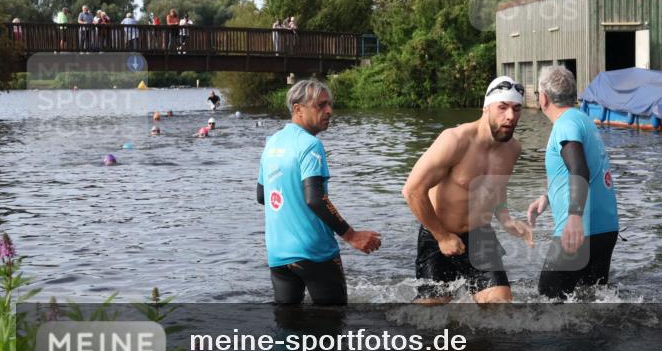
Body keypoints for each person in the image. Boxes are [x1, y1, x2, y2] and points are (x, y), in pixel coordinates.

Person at [402, 76, 532, 304]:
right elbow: (412, 191)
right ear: (486, 107)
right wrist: (442, 237)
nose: (510, 116)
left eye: (516, 109)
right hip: (438, 234)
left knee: (500, 305)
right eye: (502, 108)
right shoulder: (455, 140)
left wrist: (506, 219)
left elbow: (497, 188)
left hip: (480, 235)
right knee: (433, 310)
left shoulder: (513, 148)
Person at [257, 79, 381, 305]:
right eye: (321, 105)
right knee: (332, 326)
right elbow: (315, 199)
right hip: (314, 251)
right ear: (298, 109)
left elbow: (261, 196)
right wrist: (351, 235)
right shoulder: (310, 145)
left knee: (287, 327)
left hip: (278, 253)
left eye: (329, 105)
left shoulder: (271, 143)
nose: (329, 111)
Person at [527, 66, 620, 300]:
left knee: (547, 299)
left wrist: (574, 217)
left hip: (581, 231)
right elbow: (579, 169)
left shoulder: (564, 125)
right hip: (605, 230)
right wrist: (547, 197)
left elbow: (579, 168)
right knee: (589, 303)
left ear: (544, 97)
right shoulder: (582, 120)